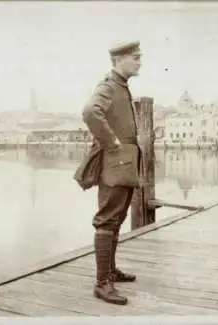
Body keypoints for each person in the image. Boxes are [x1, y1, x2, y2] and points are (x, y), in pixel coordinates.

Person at [81, 41, 142, 306]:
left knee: (117, 218)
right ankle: (101, 284)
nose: (140, 62)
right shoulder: (107, 86)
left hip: (124, 163)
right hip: (115, 162)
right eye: (135, 58)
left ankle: (110, 272)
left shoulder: (121, 86)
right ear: (118, 61)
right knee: (107, 220)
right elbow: (90, 113)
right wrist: (111, 142)